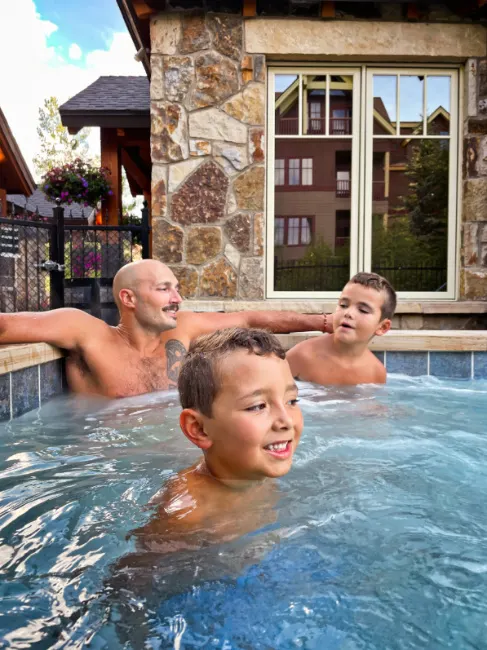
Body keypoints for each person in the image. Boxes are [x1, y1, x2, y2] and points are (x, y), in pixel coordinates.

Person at [0, 259, 330, 398]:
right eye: (164, 289)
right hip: (105, 463)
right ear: (128, 298)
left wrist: (324, 323)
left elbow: (248, 319)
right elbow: (6, 327)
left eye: (176, 288)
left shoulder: (182, 330)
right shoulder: (85, 331)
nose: (178, 298)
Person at [124, 327, 303, 554]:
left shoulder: (255, 471)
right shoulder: (185, 517)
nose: (286, 420)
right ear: (199, 429)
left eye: (292, 401)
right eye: (257, 406)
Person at [287, 272, 396, 386]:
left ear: (382, 327)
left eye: (363, 310)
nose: (348, 313)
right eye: (343, 305)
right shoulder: (303, 356)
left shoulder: (376, 373)